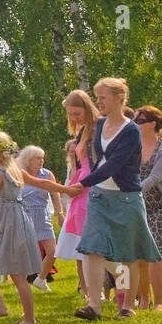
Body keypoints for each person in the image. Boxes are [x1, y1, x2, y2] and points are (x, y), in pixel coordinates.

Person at [0, 132, 72, 324]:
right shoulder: (14, 169)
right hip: (0, 218)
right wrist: (68, 189)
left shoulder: (2, 173)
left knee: (17, 273)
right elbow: (43, 183)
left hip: (9, 220)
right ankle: (0, 306)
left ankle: (29, 319)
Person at [69, 77, 162, 320]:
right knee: (90, 249)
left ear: (119, 98)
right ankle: (94, 305)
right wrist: (87, 183)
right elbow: (100, 160)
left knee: (127, 253)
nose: (98, 102)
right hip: (99, 196)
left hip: (126, 199)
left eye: (102, 97)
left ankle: (127, 306)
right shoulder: (99, 126)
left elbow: (113, 164)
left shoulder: (131, 130)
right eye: (97, 97)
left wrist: (82, 183)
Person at [57, 89, 98, 298]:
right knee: (79, 241)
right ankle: (88, 290)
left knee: (94, 240)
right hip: (80, 186)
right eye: (70, 114)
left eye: (77, 113)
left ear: (87, 108)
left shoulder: (98, 128)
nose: (74, 118)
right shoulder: (81, 132)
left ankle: (122, 289)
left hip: (93, 185)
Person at [134, 105, 162, 309]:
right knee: (140, 256)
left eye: (138, 121)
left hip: (161, 207)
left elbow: (156, 177)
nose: (134, 124)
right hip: (137, 207)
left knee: (156, 254)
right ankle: (143, 299)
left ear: (152, 124)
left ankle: (159, 302)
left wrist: (132, 191)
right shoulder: (133, 147)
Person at [16, 145, 64, 291]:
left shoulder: (47, 174)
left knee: (52, 251)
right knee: (25, 253)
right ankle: (21, 283)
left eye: (42, 158)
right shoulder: (19, 174)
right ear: (28, 160)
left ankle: (41, 279)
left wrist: (60, 212)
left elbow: (56, 194)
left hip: (43, 217)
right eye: (37, 158)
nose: (41, 161)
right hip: (25, 216)